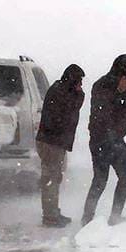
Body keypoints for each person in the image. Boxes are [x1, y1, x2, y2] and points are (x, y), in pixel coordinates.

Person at [83, 54, 126, 226]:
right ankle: (87, 219)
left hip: (116, 140)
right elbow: (102, 112)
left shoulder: (125, 90)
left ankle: (115, 216)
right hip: (100, 140)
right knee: (100, 180)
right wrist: (118, 91)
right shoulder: (101, 85)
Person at [35, 64, 86, 227]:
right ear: (72, 80)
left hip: (51, 141)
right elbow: (72, 109)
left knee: (53, 178)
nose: (80, 85)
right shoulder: (62, 93)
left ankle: (52, 212)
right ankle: (50, 216)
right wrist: (79, 94)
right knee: (51, 178)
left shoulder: (60, 89)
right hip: (52, 143)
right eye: (79, 81)